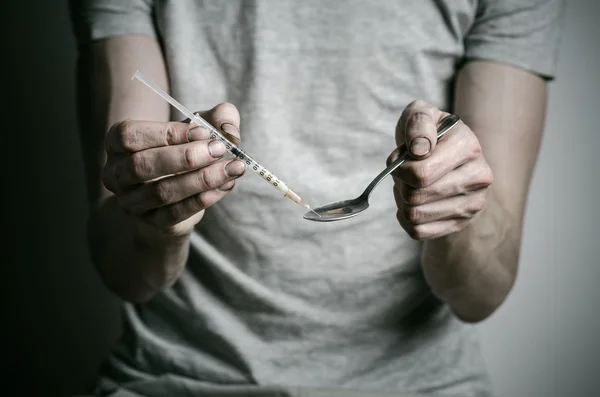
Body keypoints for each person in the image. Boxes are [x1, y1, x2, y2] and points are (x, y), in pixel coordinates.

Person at [68, 1, 564, 396]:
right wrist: (163, 212)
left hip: (419, 384)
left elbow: (484, 294)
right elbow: (124, 271)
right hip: (179, 378)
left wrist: (455, 205)